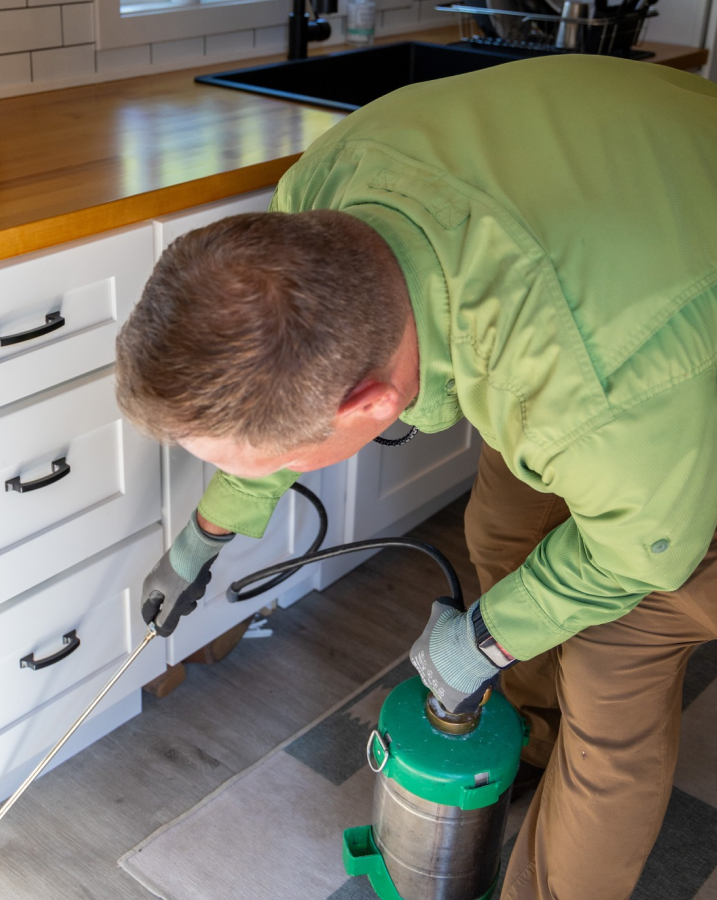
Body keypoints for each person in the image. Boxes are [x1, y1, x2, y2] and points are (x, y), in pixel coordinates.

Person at [113, 53, 717, 900]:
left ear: (373, 404)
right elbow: (270, 398)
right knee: (502, 531)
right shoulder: (319, 194)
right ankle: (529, 731)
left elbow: (640, 551)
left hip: (663, 359)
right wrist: (200, 541)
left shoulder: (591, 386)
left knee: (614, 667)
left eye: (284, 461)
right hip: (622, 226)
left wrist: (486, 640)